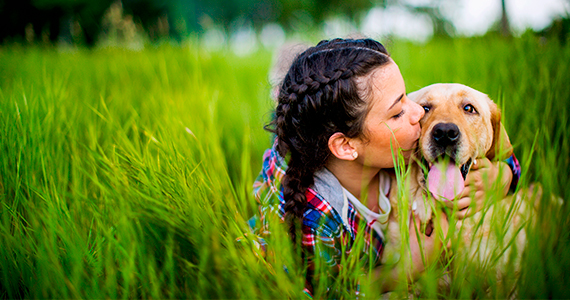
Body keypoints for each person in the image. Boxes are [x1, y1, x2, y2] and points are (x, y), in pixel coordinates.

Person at [250, 38, 520, 296]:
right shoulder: (313, 219)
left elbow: (497, 148)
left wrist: (505, 175)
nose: (418, 114)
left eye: (407, 99)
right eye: (398, 112)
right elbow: (322, 293)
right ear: (347, 146)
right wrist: (404, 269)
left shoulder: (398, 153)